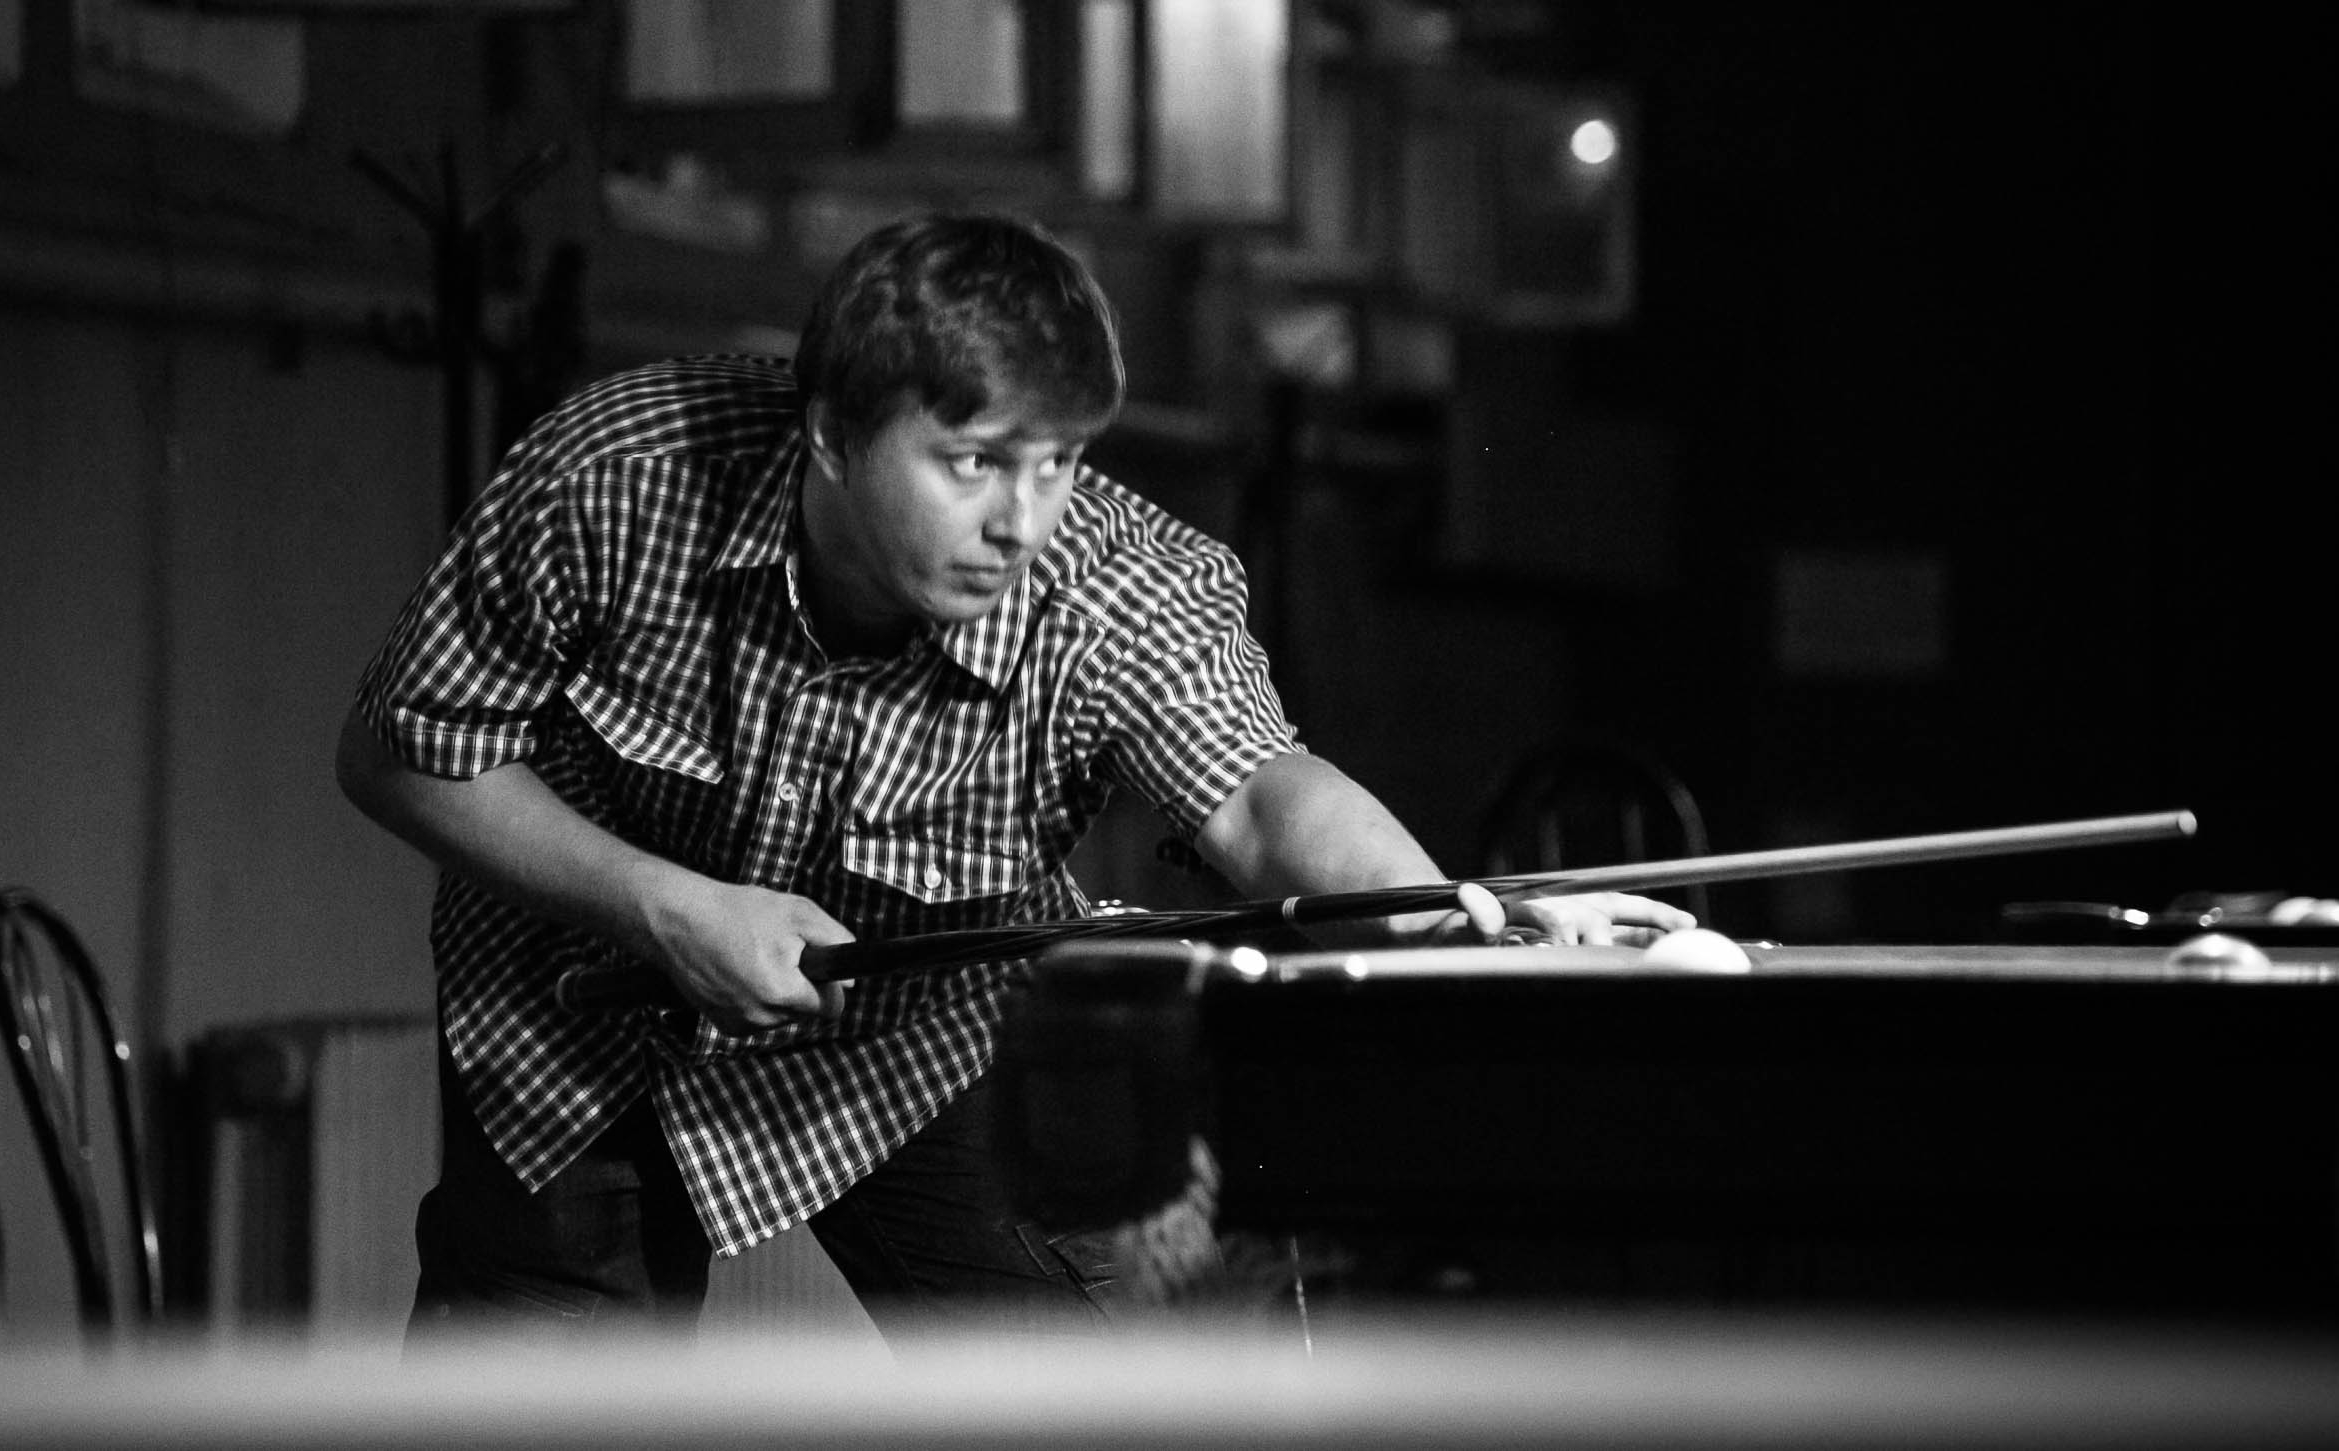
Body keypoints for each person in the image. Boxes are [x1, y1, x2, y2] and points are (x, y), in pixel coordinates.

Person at [335, 212, 1693, 1344]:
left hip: (912, 1049)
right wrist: (665, 907)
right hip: (572, 1029)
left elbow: (1264, 797)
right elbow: (400, 752)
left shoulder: (1114, 581)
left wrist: (1462, 925)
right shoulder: (616, 479)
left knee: (1113, 1405)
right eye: (974, 462)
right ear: (830, 434)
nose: (1020, 522)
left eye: (1058, 465)